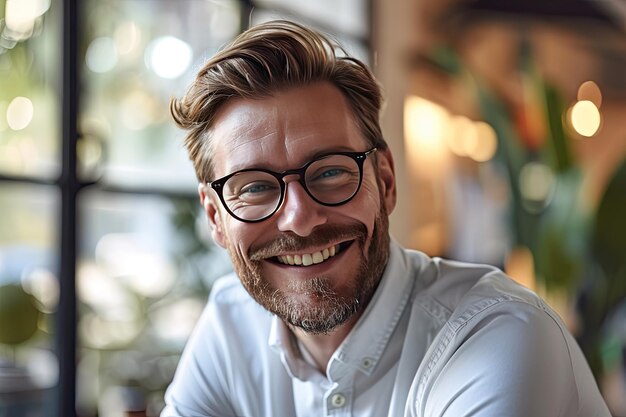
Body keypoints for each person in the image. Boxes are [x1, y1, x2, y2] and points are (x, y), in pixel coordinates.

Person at [161, 20, 610, 417]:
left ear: (386, 180)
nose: (299, 219)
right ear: (215, 218)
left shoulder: (499, 338)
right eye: (255, 187)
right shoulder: (229, 326)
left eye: (331, 171)